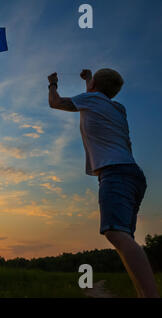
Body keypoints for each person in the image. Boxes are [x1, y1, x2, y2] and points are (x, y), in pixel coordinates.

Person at [47, 68, 159, 298]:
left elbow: (55, 103)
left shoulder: (91, 100)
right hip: (133, 175)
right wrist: (89, 79)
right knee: (123, 237)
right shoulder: (118, 108)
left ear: (96, 84)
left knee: (116, 234)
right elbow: (95, 94)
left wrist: (53, 84)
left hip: (115, 173)